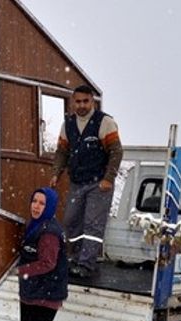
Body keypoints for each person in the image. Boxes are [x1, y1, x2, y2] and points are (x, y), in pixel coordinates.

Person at [49, 84, 123, 278]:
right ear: (74, 102)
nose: (81, 105)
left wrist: (108, 179)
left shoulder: (104, 122)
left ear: (92, 101)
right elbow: (62, 151)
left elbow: (116, 152)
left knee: (92, 224)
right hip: (77, 182)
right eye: (78, 101)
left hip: (99, 183)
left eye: (85, 101)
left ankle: (87, 264)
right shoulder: (69, 124)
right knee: (71, 220)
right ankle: (74, 258)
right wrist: (56, 172)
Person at [10, 187, 68, 321]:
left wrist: (21, 271)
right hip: (32, 291)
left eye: (42, 203)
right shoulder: (34, 226)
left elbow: (48, 263)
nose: (36, 206)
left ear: (49, 207)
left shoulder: (49, 232)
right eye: (34, 201)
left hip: (47, 294)